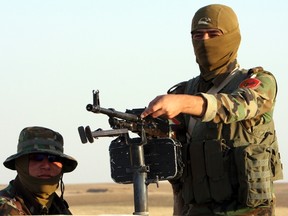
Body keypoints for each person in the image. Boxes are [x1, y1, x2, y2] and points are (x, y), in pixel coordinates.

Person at [141, 4, 283, 216]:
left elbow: (237, 105)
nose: (205, 41)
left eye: (213, 34)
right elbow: (178, 176)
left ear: (233, 37)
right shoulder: (184, 90)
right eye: (198, 35)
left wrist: (183, 103)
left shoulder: (258, 82)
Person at [0, 126, 78, 215]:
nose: (46, 166)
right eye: (37, 158)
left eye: (53, 158)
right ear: (21, 163)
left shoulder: (58, 207)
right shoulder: (4, 208)